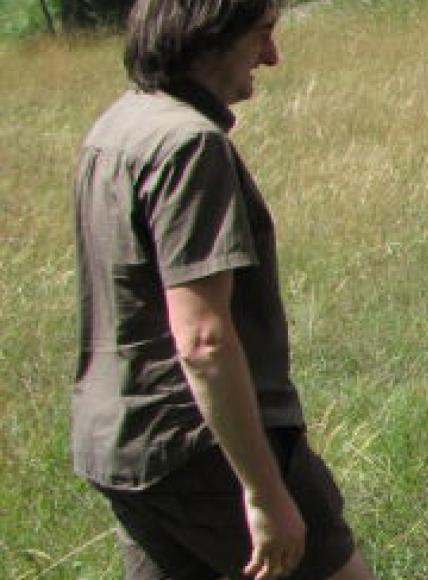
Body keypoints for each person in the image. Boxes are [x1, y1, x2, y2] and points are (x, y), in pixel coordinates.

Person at [70, 1, 374, 578]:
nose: (271, 56)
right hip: (204, 447)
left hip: (121, 443)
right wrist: (262, 491)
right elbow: (203, 340)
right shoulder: (189, 144)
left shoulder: (117, 126)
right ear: (208, 35)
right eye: (261, 35)